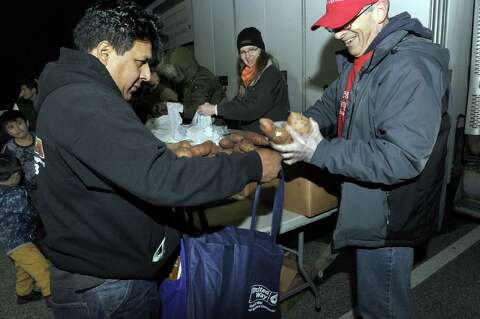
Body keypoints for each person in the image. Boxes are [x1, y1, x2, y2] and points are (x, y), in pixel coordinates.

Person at [34, 1, 281, 318]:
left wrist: (164, 155)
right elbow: (165, 180)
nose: (148, 75)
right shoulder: (85, 101)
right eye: (140, 62)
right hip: (107, 289)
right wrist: (253, 165)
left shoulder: (72, 95)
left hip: (102, 275)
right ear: (106, 52)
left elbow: (113, 165)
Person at [272, 1, 450, 318]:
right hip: (367, 203)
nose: (337, 34)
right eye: (333, 24)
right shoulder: (363, 61)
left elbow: (402, 157)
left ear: (379, 11)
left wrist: (318, 151)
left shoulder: (408, 67)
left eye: (344, 22)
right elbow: (330, 106)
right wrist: (300, 129)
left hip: (389, 216)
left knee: (380, 308)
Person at [197, 27, 290, 133]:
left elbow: (253, 109)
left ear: (261, 50)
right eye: (243, 52)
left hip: (271, 138)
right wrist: (214, 119)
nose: (247, 56)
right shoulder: (248, 74)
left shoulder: (271, 74)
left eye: (252, 50)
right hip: (252, 136)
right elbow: (238, 103)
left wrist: (216, 109)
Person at [0, 151, 51, 306]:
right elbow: (30, 213)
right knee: (41, 267)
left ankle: (24, 293)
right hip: (20, 240)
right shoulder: (16, 194)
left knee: (23, 267)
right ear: (15, 174)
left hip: (8, 241)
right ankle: (52, 296)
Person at [157, 46, 226, 121]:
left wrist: (170, 108)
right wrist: (171, 105)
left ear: (182, 67)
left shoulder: (201, 80)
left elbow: (196, 111)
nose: (171, 79)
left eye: (173, 75)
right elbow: (190, 104)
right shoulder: (192, 77)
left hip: (218, 126)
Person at [1, 110, 37, 192]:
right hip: (30, 190)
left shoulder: (40, 137)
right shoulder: (9, 148)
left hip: (51, 179)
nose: (17, 128)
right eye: (11, 127)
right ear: (7, 132)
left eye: (19, 123)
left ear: (27, 123)